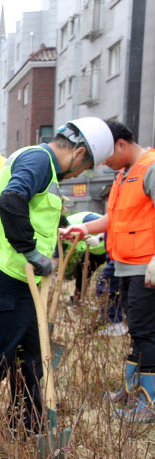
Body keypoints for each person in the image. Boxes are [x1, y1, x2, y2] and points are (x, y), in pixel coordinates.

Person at [0, 117, 114, 436]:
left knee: (31, 356)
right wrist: (31, 252)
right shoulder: (38, 159)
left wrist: (57, 234)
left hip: (20, 278)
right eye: (83, 168)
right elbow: (11, 200)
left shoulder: (40, 164)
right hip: (2, 272)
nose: (79, 175)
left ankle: (26, 424)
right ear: (78, 155)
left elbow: (31, 210)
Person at [61, 120, 155, 422]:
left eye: (107, 157)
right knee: (136, 332)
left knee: (145, 333)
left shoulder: (150, 167)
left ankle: (148, 403)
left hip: (146, 267)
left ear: (121, 144)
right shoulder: (124, 174)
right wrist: (83, 228)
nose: (106, 164)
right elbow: (115, 218)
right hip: (126, 265)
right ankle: (131, 390)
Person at [53, 211, 107, 303]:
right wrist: (49, 271)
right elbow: (56, 258)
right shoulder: (61, 235)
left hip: (111, 247)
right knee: (81, 269)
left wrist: (98, 238)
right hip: (95, 251)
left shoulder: (84, 219)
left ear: (62, 227)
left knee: (107, 277)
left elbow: (110, 225)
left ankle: (107, 304)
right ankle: (77, 300)